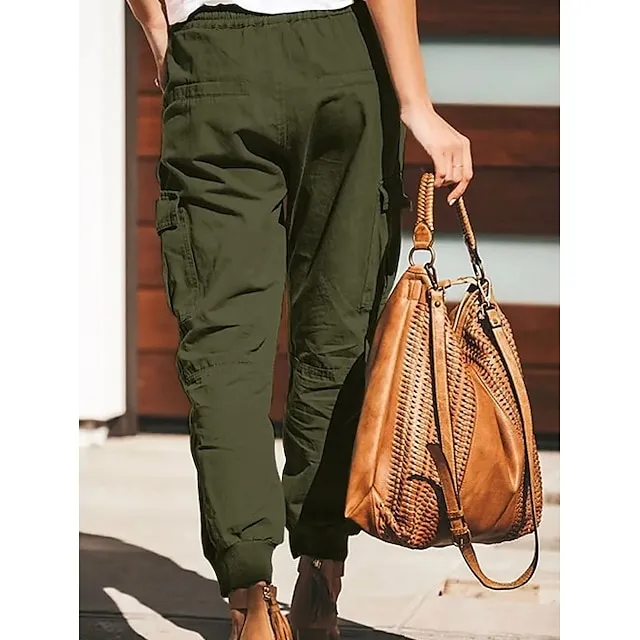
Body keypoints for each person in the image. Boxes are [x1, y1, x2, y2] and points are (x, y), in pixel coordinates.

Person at [126, 1, 473, 638]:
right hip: (340, 49)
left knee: (224, 348)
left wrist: (160, 32)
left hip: (214, 54)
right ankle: (319, 580)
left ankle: (251, 600)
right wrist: (417, 104)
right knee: (337, 335)